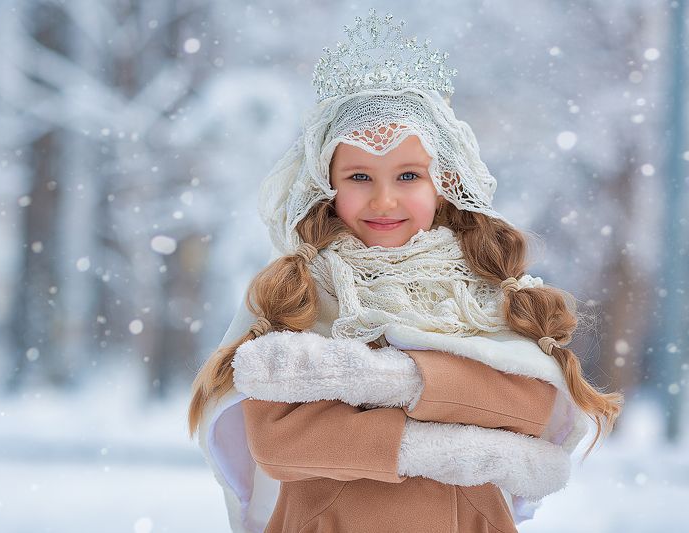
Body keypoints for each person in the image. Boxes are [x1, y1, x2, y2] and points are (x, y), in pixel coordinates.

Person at [187, 8, 624, 533]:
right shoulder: (300, 288)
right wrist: (446, 433)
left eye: (409, 175)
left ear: (444, 182)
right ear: (326, 182)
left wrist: (384, 384)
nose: (384, 199)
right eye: (359, 176)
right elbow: (280, 440)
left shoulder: (481, 289)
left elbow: (530, 405)